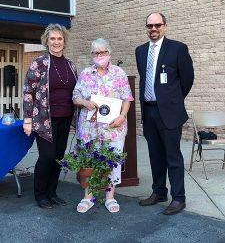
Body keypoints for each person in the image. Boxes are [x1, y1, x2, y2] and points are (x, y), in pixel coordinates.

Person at [136, 13, 194, 215]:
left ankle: (179, 198)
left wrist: (173, 101)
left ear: (165, 26)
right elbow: (145, 78)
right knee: (155, 155)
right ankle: (159, 191)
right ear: (146, 27)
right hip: (149, 110)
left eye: (157, 25)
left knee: (173, 156)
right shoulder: (140, 51)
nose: (153, 29)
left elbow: (187, 79)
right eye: (150, 25)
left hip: (169, 112)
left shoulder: (178, 48)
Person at [73, 38, 133, 213]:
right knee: (90, 161)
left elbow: (127, 98)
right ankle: (89, 196)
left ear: (109, 53)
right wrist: (85, 102)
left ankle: (110, 196)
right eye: (96, 53)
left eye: (103, 52)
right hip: (89, 129)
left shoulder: (119, 73)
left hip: (113, 128)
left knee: (113, 162)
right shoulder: (85, 74)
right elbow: (75, 96)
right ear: (92, 55)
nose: (100, 55)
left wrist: (122, 116)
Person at [23, 23, 78, 209]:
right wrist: (28, 119)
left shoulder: (70, 64)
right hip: (44, 119)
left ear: (64, 41)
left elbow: (77, 90)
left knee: (58, 157)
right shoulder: (39, 63)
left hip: (65, 117)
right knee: (47, 156)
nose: (56, 42)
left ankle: (52, 192)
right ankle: (41, 195)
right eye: (52, 38)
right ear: (46, 41)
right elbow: (28, 92)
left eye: (59, 38)